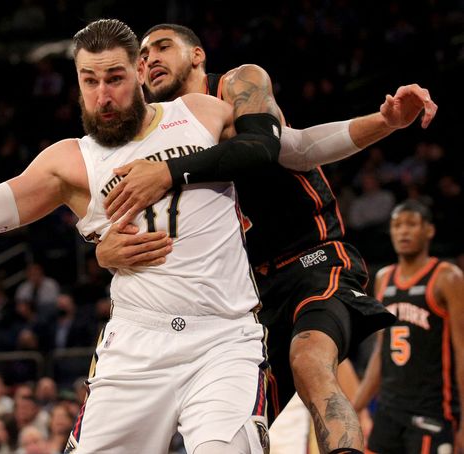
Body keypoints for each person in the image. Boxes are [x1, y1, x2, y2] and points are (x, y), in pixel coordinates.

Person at [0, 18, 282, 454]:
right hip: (137, 346)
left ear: (141, 71)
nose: (103, 96)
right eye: (89, 81)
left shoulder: (200, 113)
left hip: (224, 339)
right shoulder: (67, 161)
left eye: (115, 78)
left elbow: (280, 149)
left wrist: (169, 173)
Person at [94, 23, 436, 453]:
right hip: (248, 294)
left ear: (198, 55)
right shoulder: (154, 135)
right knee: (232, 427)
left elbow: (296, 147)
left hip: (313, 260)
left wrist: (385, 121)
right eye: (142, 57)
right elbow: (120, 215)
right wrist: (104, 251)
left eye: (163, 47)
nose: (150, 59)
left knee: (309, 363)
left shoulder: (239, 83)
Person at [353, 200, 464, 453]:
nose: (403, 231)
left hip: (432, 412)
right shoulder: (383, 278)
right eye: (397, 225)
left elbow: (462, 351)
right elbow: (380, 355)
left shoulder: (447, 277)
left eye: (411, 224)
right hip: (388, 412)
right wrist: (354, 408)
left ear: (429, 230)